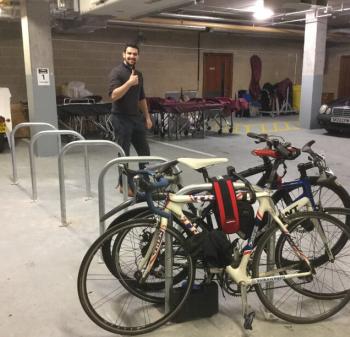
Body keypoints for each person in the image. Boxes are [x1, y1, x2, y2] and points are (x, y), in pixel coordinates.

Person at [108, 43, 153, 196]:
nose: (132, 56)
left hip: (136, 118)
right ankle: (123, 184)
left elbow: (141, 97)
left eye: (135, 54)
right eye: (129, 53)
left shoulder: (139, 74)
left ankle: (145, 181)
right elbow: (114, 95)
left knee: (145, 152)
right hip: (120, 119)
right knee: (124, 153)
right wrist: (129, 83)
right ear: (123, 54)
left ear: (138, 56)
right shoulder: (117, 72)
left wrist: (147, 116)